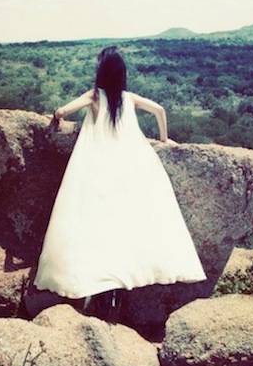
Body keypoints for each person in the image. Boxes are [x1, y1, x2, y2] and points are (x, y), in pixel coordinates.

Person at [33, 46, 206, 319]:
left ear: (101, 72)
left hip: (97, 165)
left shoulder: (94, 96)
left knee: (95, 224)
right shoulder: (130, 98)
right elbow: (159, 110)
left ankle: (100, 287)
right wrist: (163, 139)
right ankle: (119, 291)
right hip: (131, 164)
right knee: (127, 224)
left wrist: (55, 116)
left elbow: (62, 111)